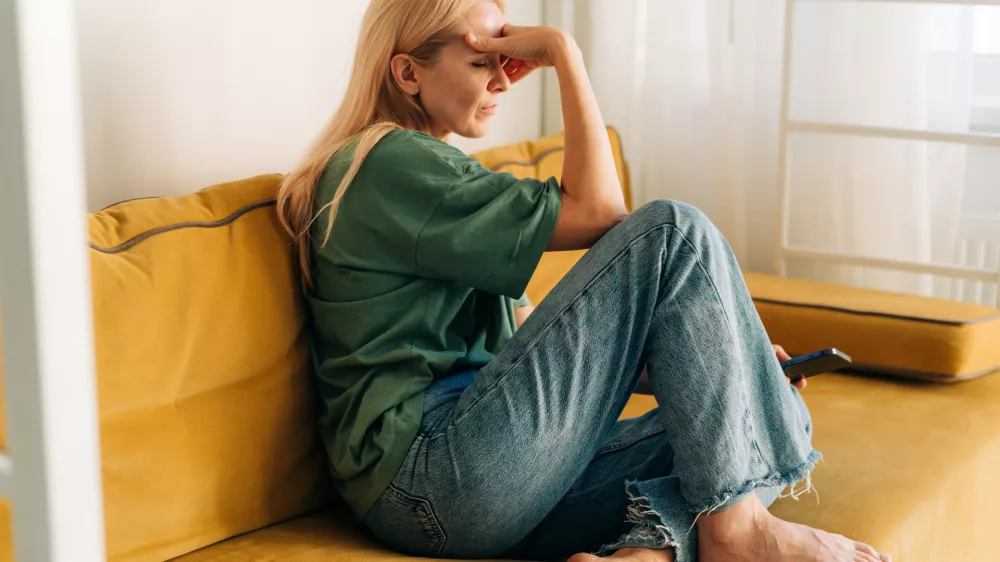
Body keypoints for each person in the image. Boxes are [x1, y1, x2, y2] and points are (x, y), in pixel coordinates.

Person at [276, 1, 891, 561]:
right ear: (408, 74)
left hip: (479, 479)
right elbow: (602, 213)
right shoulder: (391, 164)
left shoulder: (431, 176)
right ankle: (734, 534)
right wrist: (564, 54)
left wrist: (726, 362)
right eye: (482, 61)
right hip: (433, 475)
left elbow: (537, 342)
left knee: (771, 413)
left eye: (509, 61)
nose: (500, 81)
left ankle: (645, 553)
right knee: (672, 230)